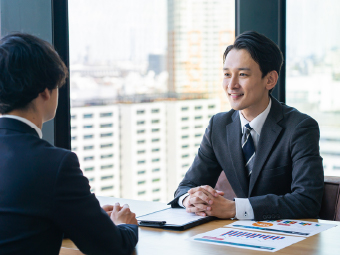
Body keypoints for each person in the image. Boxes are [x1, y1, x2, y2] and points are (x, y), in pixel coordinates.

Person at [0, 33, 138, 255]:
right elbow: (113, 248)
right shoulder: (54, 163)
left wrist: (81, 218)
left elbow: (14, 222)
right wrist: (125, 224)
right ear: (45, 91)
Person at [169, 31, 324, 221]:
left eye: (242, 74)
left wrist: (235, 209)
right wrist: (191, 199)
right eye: (227, 74)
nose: (231, 85)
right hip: (234, 237)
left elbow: (307, 201)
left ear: (270, 80)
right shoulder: (218, 125)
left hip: (287, 239)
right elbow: (186, 186)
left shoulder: (300, 128)